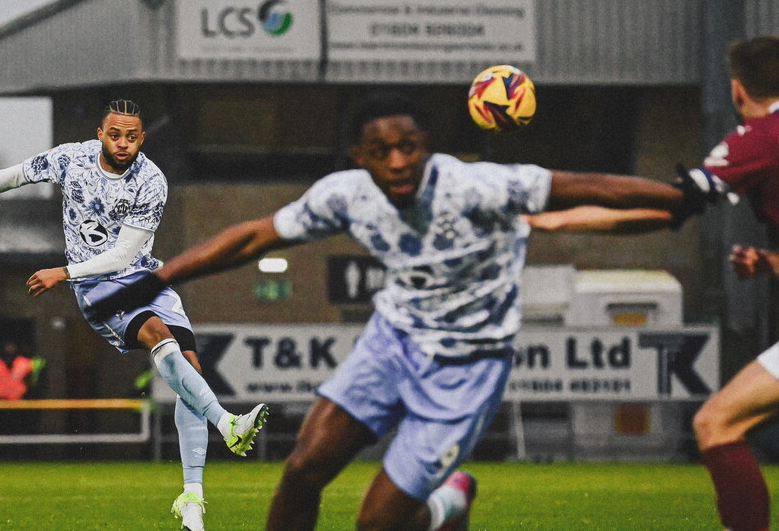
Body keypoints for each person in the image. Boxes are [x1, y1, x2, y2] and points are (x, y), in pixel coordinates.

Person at [89, 92, 720, 531]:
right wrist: (159, 278)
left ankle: (450, 503)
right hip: (392, 344)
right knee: (303, 471)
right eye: (380, 149)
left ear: (426, 146)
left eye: (409, 147)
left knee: (378, 521)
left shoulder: (476, 186)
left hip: (469, 365)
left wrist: (677, 195)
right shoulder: (347, 195)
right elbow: (256, 236)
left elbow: (585, 185)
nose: (397, 161)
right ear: (358, 156)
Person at [0, 99, 268, 531]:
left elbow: (126, 253)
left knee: (190, 370)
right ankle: (226, 423)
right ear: (100, 133)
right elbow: (17, 174)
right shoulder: (72, 159)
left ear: (142, 139)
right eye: (115, 134)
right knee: (155, 332)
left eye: (131, 136)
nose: (123, 143)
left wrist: (60, 271)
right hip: (98, 288)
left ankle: (192, 503)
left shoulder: (152, 181)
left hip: (145, 277)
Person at [526, 35, 779, 531]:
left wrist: (555, 219)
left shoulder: (763, 136)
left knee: (716, 423)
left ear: (736, 91)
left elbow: (673, 204)